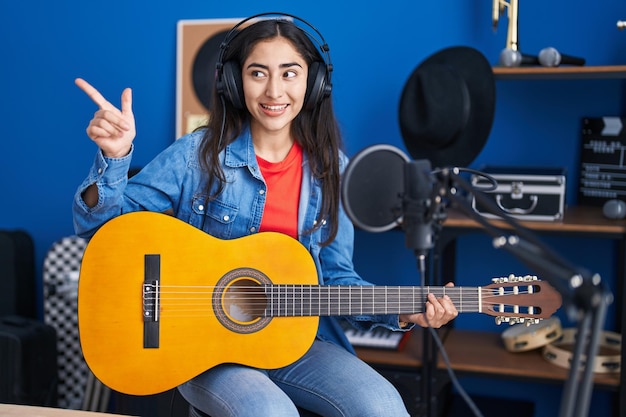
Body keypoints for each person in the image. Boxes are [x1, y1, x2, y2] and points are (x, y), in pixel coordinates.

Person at [73, 14, 458, 417]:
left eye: (289, 73)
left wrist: (404, 310)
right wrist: (115, 158)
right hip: (203, 349)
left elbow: (337, 279)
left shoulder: (334, 171)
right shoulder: (198, 154)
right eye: (258, 73)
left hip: (298, 344)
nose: (274, 90)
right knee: (269, 411)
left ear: (314, 82)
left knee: (383, 406)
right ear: (236, 81)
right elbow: (101, 229)